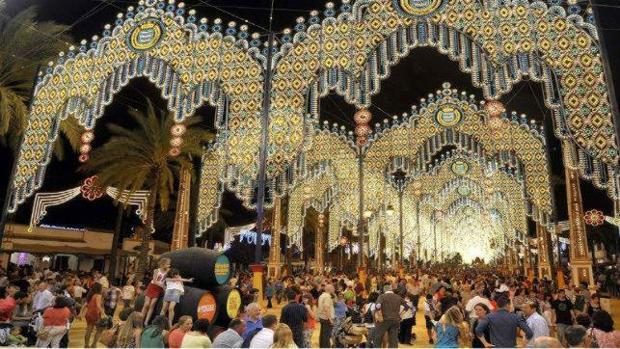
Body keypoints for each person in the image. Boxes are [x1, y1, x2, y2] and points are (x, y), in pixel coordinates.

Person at [142, 257, 171, 326]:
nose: (169, 265)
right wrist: (162, 286)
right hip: (152, 287)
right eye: (168, 264)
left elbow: (164, 281)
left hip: (158, 289)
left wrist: (164, 288)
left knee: (152, 305)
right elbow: (155, 280)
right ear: (163, 264)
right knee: (146, 304)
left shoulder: (167, 272)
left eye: (169, 264)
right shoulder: (156, 271)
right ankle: (141, 318)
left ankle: (146, 321)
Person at [374, 284, 403, 348]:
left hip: (384, 320)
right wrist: (400, 315)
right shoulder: (398, 297)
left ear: (384, 290)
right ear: (391, 289)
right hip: (395, 320)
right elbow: (407, 307)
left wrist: (380, 315)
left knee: (378, 338)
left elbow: (377, 306)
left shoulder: (381, 296)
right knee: (393, 340)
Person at [80, 282, 105, 348]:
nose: (102, 289)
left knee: (89, 329)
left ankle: (86, 345)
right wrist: (104, 314)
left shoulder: (90, 295)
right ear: (99, 288)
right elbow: (98, 305)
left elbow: (84, 305)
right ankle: (94, 344)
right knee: (100, 330)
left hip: (88, 314)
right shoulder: (98, 295)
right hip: (95, 314)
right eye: (102, 287)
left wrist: (80, 313)